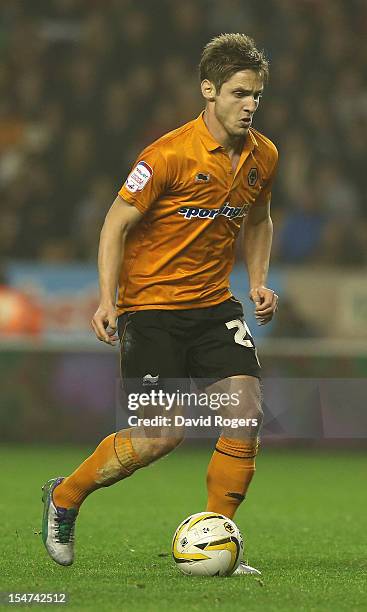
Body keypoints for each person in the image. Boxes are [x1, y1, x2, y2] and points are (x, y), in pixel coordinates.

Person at [42, 33, 278, 575]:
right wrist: (108, 299)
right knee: (158, 437)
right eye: (240, 93)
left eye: (257, 96)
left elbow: (259, 218)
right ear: (208, 90)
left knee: (244, 411)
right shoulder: (168, 155)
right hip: (150, 310)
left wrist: (258, 281)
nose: (250, 105)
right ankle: (65, 497)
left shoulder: (264, 155)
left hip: (214, 307)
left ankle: (220, 540)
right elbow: (115, 223)